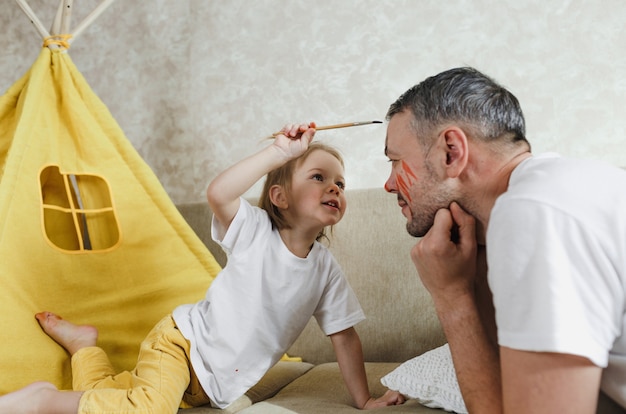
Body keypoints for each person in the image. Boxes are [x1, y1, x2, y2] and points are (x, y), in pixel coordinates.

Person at [0, 123, 404, 413]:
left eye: (340, 183)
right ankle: (41, 401)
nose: (335, 187)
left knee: (117, 396)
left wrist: (364, 400)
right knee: (147, 410)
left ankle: (85, 348)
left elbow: (345, 338)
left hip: (210, 387)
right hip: (181, 346)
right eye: (319, 177)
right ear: (279, 196)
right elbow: (219, 192)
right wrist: (279, 153)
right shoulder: (255, 231)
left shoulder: (324, 270)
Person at [383, 67, 626, 413]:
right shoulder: (552, 191)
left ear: (451, 152)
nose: (389, 185)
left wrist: (452, 297)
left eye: (395, 161)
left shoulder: (534, 212)